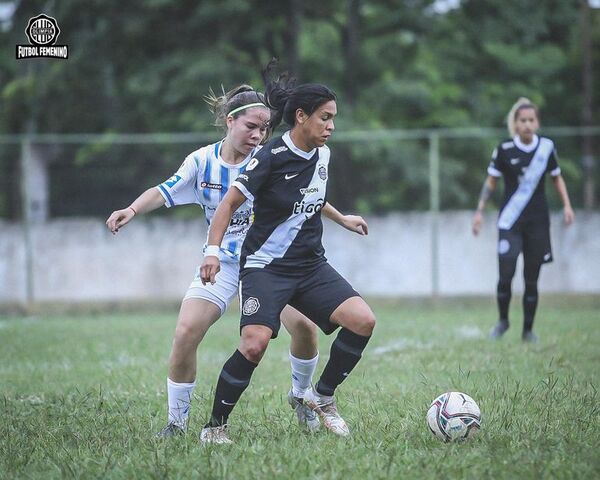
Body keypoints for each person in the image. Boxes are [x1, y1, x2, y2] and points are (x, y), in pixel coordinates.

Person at [105, 85, 368, 437]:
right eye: (251, 127)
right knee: (186, 332)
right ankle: (176, 423)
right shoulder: (202, 162)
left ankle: (303, 398)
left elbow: (307, 196)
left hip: (273, 261)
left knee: (305, 329)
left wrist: (341, 218)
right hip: (226, 263)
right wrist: (132, 208)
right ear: (230, 122)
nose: (258, 135)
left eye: (264, 129)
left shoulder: (275, 154)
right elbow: (165, 189)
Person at [198, 63, 376, 444]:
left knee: (363, 320)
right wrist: (212, 252)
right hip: (266, 268)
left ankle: (320, 397)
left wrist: (342, 218)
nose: (331, 126)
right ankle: (214, 428)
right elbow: (228, 204)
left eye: (333, 119)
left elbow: (312, 196)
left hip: (311, 265)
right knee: (255, 343)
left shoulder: (322, 155)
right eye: (325, 118)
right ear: (301, 116)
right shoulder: (269, 157)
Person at [472, 97, 575, 342]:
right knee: (505, 275)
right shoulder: (505, 149)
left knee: (532, 278)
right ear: (516, 124)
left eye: (531, 120)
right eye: (522, 120)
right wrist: (479, 211)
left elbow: (557, 178)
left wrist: (568, 205)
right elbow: (491, 182)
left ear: (537, 123)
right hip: (510, 223)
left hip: (538, 223)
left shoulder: (546, 149)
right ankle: (502, 322)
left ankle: (528, 330)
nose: (527, 124)